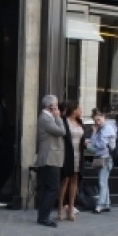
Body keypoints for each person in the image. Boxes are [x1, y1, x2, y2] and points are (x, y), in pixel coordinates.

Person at [34, 95, 66, 228]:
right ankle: (44, 216)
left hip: (50, 157)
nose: (57, 107)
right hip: (49, 158)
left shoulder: (47, 118)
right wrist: (58, 117)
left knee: (47, 188)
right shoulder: (46, 119)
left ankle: (43, 215)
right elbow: (62, 131)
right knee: (53, 187)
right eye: (56, 105)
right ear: (51, 106)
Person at [57, 101, 85, 221]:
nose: (81, 111)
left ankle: (71, 208)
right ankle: (60, 208)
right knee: (65, 180)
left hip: (78, 154)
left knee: (75, 180)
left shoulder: (80, 122)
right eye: (79, 108)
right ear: (74, 110)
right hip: (67, 154)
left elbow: (82, 138)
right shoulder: (64, 121)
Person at [90, 111, 117, 214]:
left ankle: (100, 205)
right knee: (104, 182)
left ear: (103, 118)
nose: (97, 122)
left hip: (106, 158)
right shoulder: (100, 129)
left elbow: (101, 145)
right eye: (95, 120)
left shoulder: (108, 128)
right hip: (103, 157)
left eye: (98, 120)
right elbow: (93, 144)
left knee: (102, 182)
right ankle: (106, 204)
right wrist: (94, 132)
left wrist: (95, 135)